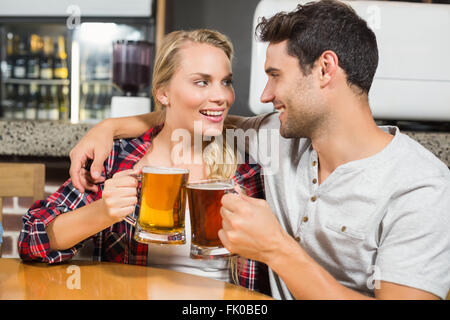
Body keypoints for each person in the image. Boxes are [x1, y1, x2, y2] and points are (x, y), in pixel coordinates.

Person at [68, 0, 450, 300]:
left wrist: (276, 249)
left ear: (325, 69)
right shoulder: (277, 139)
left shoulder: (421, 187)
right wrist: (109, 127)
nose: (264, 96)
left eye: (275, 76)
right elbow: (189, 118)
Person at [18, 29, 270, 294]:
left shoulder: (246, 166)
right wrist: (102, 213)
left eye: (226, 82)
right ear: (163, 94)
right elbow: (31, 239)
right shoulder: (120, 158)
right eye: (202, 82)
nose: (222, 96)